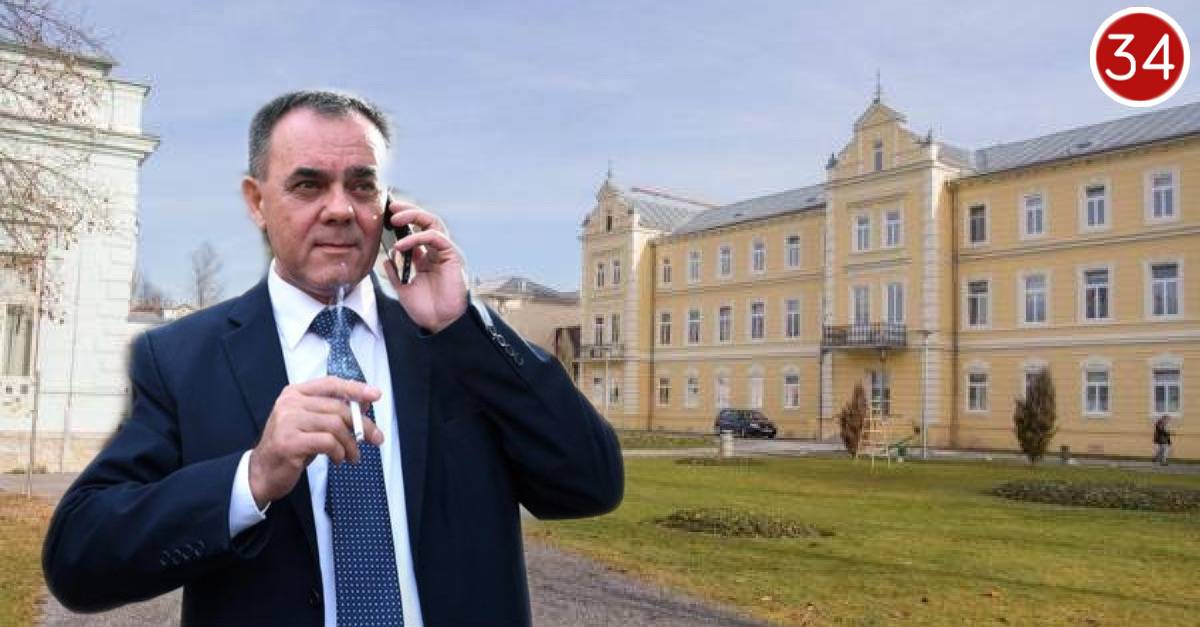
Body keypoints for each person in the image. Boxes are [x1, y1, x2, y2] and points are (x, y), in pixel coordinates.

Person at [42, 90, 624, 626]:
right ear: (257, 202)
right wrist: (252, 478)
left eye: (362, 186)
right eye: (308, 185)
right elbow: (79, 560)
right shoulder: (182, 359)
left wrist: (462, 321)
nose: (341, 209)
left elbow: (591, 483)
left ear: (389, 207)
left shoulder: (453, 345)